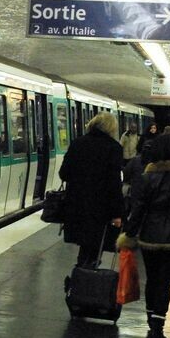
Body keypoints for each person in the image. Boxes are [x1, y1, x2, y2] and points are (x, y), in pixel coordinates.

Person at [117, 133, 170, 338]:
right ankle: (158, 325)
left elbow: (138, 209)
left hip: (149, 237)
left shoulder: (146, 177)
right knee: (166, 282)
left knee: (152, 280)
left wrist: (130, 234)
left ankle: (151, 318)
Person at [60, 112, 125, 267]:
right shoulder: (113, 148)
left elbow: (64, 173)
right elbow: (114, 183)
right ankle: (85, 281)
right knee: (95, 247)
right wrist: (117, 214)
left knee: (84, 246)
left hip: (76, 205)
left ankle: (79, 279)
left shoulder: (78, 143)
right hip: (100, 208)